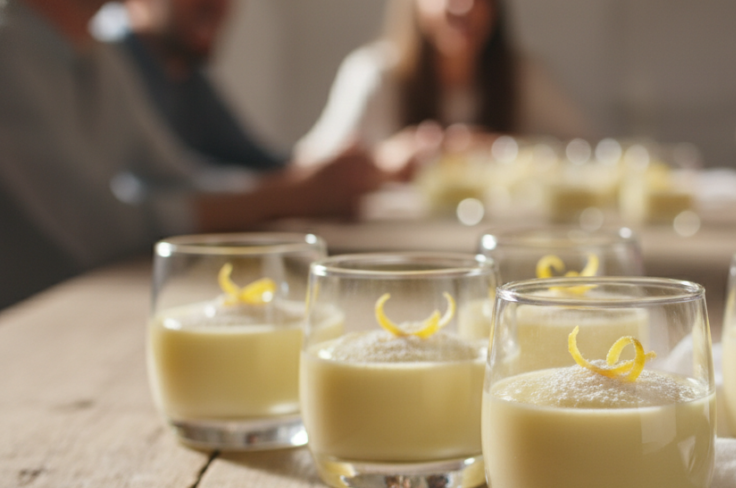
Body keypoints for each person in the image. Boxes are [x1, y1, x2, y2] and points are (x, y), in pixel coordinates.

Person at [0, 0, 382, 310]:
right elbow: (98, 225)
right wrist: (290, 195)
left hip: (89, 309)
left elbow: (177, 175)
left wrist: (295, 191)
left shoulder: (97, 54)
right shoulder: (9, 51)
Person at [294, 0, 590, 177]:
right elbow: (304, 168)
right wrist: (385, 160)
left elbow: (587, 152)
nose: (464, 6)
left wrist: (500, 149)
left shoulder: (523, 75)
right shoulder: (373, 72)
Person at [115, 0, 286, 170]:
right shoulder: (114, 69)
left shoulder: (187, 79)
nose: (218, 4)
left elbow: (257, 160)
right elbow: (167, 179)